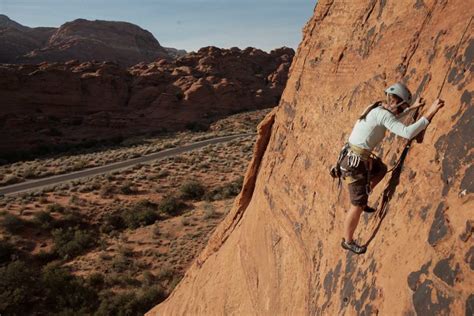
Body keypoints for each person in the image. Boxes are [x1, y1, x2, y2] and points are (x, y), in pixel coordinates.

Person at [340, 82, 445, 254]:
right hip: (355, 163)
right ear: (396, 102)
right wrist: (431, 111)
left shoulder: (376, 108)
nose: (402, 109)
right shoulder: (383, 114)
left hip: (355, 157)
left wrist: (413, 108)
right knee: (356, 205)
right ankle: (348, 241)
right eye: (403, 105)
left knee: (380, 169)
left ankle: (364, 196)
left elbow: (392, 118)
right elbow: (407, 132)